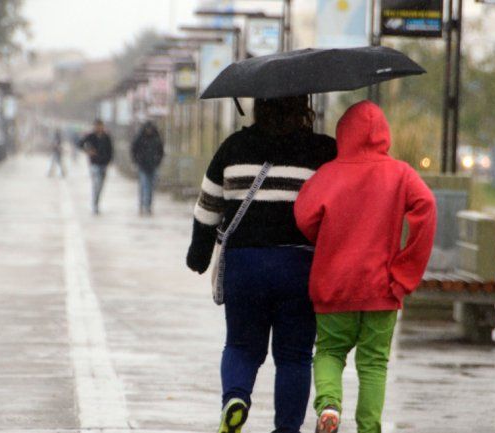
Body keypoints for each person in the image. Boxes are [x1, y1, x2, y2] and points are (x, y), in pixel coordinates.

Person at [185, 96, 337, 433]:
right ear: (304, 109)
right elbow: (339, 207)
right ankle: (286, 428)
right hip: (299, 266)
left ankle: (236, 400)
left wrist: (199, 255)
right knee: (294, 356)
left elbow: (208, 207)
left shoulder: (234, 147)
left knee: (241, 345)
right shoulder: (324, 151)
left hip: (245, 264)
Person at [294, 101, 437, 433]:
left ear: (344, 133)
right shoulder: (401, 173)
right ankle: (369, 428)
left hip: (333, 286)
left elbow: (303, 216)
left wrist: (327, 235)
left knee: (329, 352)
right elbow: (426, 207)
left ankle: (329, 405)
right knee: (373, 365)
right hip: (382, 288)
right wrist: (405, 273)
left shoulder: (328, 173)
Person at [78, 120, 113, 214]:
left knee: (101, 186)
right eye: (97, 126)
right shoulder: (91, 136)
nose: (99, 128)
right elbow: (80, 144)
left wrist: (109, 161)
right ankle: (95, 205)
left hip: (104, 164)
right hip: (94, 164)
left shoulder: (106, 137)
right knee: (96, 184)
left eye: (100, 126)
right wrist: (88, 151)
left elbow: (111, 150)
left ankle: (96, 202)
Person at [131, 121, 165, 215]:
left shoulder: (156, 139)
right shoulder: (140, 138)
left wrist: (157, 161)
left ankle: (148, 205)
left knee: (151, 187)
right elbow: (133, 149)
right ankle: (143, 205)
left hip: (153, 166)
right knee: (144, 186)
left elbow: (161, 152)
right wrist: (137, 160)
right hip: (142, 166)